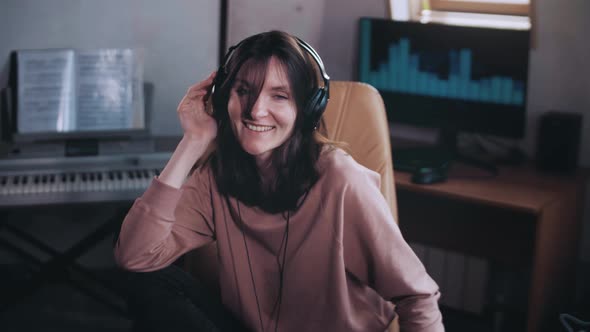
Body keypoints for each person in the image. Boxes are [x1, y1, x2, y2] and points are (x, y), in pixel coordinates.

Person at [114, 30, 444, 332]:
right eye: (243, 91)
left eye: (279, 96)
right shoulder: (217, 175)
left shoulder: (342, 182)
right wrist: (193, 141)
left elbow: (418, 298)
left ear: (309, 108)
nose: (256, 110)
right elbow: (136, 256)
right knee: (147, 281)